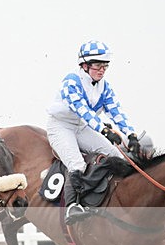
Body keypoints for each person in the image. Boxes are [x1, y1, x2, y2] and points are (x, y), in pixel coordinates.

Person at [46, 40, 140, 225]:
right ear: (85, 65)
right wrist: (104, 130)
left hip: (82, 127)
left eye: (105, 65)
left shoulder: (105, 86)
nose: (102, 69)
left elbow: (116, 112)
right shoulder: (71, 81)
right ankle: (72, 207)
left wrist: (131, 135)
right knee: (77, 164)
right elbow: (83, 111)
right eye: (98, 65)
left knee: (115, 155)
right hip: (61, 127)